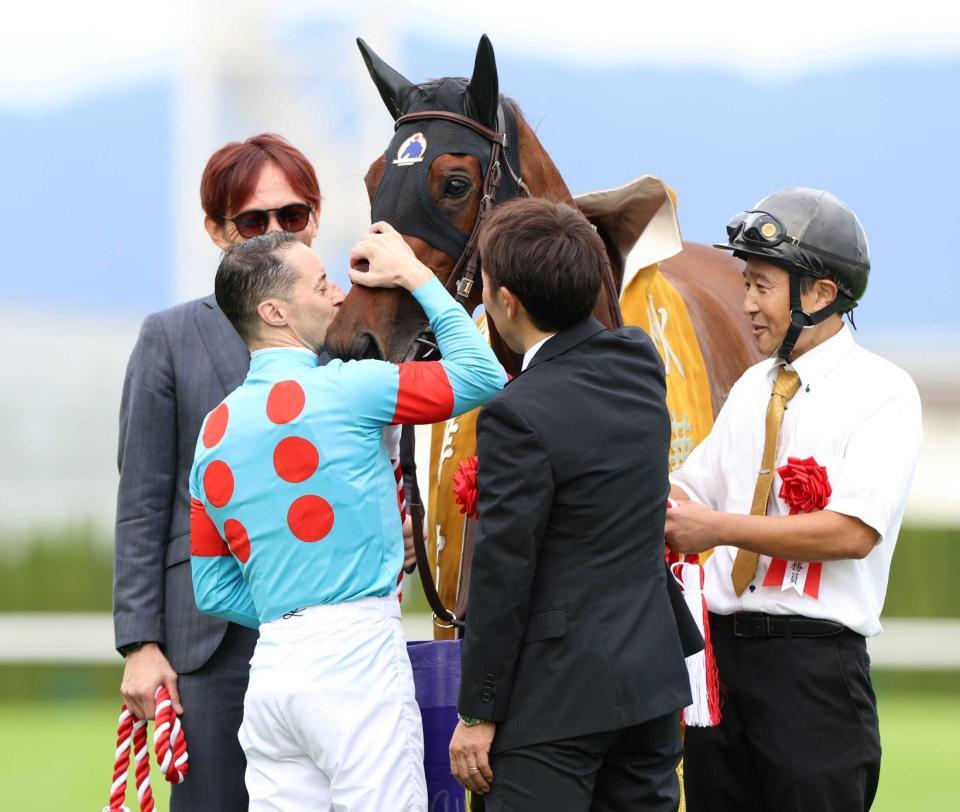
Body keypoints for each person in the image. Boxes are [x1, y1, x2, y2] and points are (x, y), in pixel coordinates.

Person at [189, 225, 505, 811]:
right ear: (275, 311)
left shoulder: (212, 434)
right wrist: (416, 274)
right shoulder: (353, 388)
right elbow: (482, 375)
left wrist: (296, 602)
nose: (340, 295)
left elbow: (211, 590)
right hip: (357, 657)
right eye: (323, 283)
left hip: (274, 668)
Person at [666, 187, 922, 811]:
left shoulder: (884, 392)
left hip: (815, 674)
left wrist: (720, 530)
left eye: (761, 286)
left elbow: (852, 533)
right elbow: (687, 493)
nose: (746, 304)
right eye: (745, 284)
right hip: (721, 669)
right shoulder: (754, 388)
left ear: (821, 293)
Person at [114, 133, 339, 810]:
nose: (274, 233)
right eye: (251, 220)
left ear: (316, 218)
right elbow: (143, 499)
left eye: (291, 216)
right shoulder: (170, 336)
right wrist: (140, 643)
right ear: (216, 230)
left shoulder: (349, 331)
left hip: (329, 631)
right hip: (207, 643)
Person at [450, 198, 693, 811]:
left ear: (507, 301)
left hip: (552, 699)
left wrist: (478, 709)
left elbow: (504, 572)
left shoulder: (516, 412)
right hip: (649, 684)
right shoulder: (640, 362)